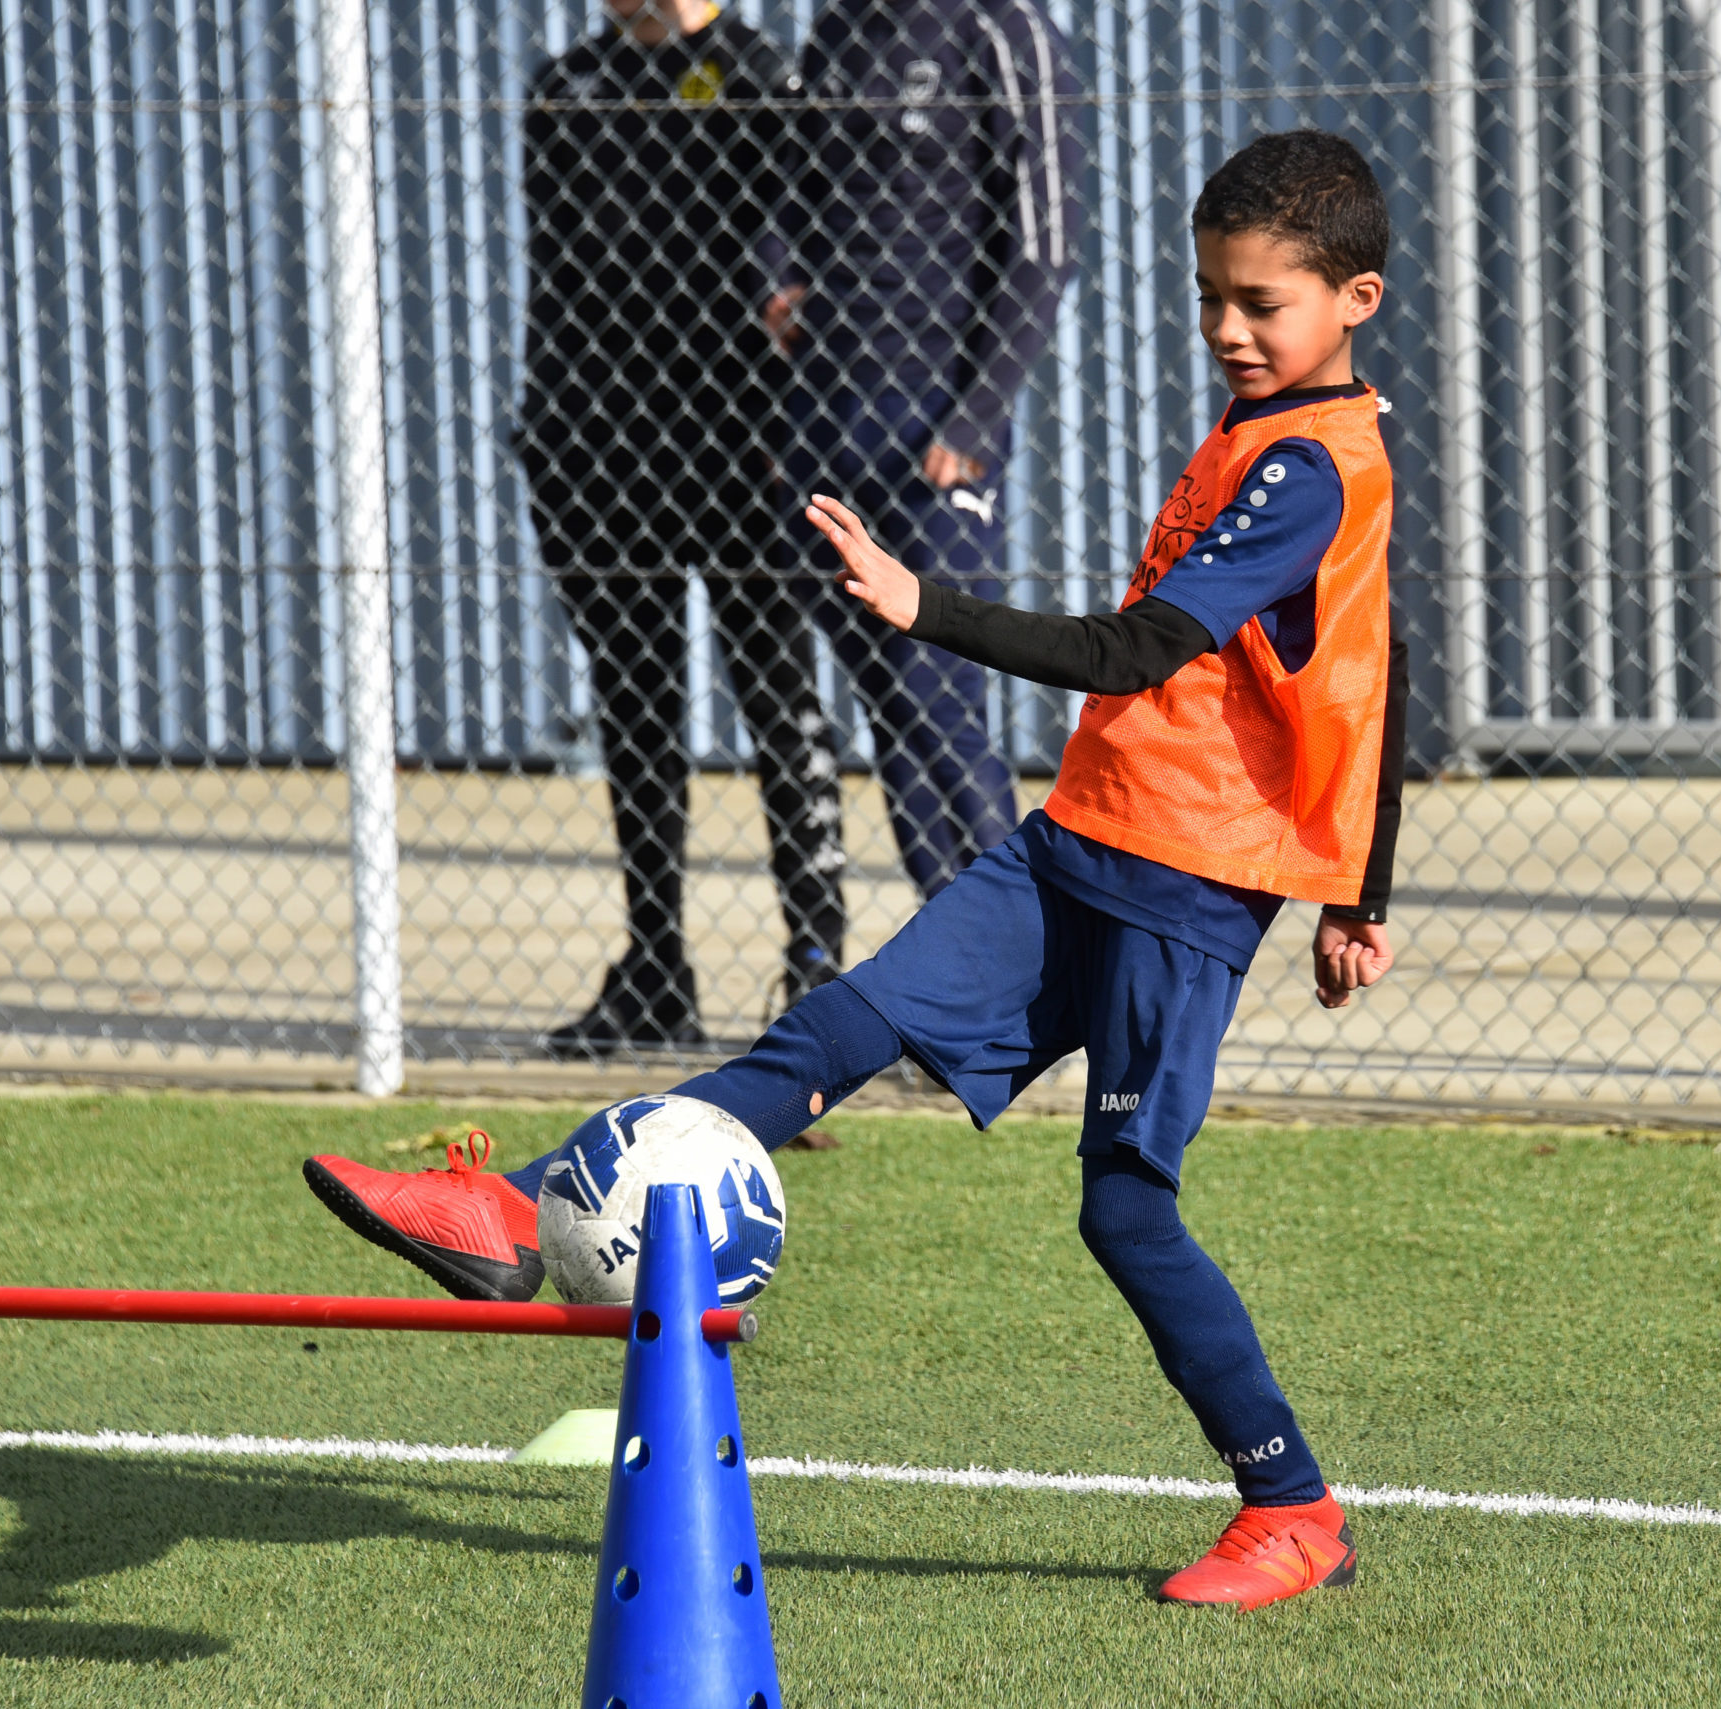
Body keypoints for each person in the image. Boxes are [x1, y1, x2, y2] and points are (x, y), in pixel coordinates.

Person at [306, 130, 1410, 1610]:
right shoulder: (1257, 428)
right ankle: (512, 1208)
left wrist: (919, 604)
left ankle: (1293, 1509)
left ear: (1355, 299)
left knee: (1126, 1211)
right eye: (1211, 294)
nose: (1226, 326)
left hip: (1189, 884)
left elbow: (1141, 652)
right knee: (847, 1019)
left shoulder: (1316, 466)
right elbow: (1372, 664)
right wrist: (1362, 892)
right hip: (1088, 833)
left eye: (1260, 303)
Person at [520, 0, 847, 1053]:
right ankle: (656, 969)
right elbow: (557, 286)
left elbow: (802, 258)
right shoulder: (568, 87)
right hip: (601, 451)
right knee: (635, 708)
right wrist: (547, 432)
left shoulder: (761, 78)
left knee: (777, 696)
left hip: (739, 447)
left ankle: (816, 963)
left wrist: (796, 430)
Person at [764, 0, 1084, 898]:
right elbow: (790, 187)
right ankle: (951, 950)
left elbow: (1046, 245)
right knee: (888, 696)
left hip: (938, 417)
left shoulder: (1003, 30)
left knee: (937, 688)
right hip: (829, 413)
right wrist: (777, 278)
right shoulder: (839, 28)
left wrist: (977, 414)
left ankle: (1024, 937)